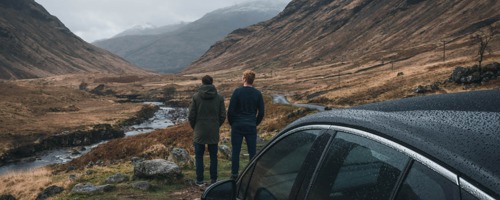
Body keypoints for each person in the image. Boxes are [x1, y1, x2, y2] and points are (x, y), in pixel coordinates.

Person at [188, 75, 226, 186]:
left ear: (202, 83)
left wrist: (195, 127)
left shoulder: (196, 97)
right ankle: (213, 180)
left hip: (199, 131)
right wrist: (216, 125)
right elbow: (223, 115)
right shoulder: (219, 97)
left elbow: (191, 116)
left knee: (199, 156)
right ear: (212, 82)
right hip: (213, 131)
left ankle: (199, 180)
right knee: (213, 156)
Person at [227, 70, 265, 180]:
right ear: (253, 80)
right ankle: (252, 174)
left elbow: (230, 111)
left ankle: (234, 175)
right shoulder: (257, 93)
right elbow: (261, 112)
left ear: (244, 79)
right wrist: (255, 122)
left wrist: (232, 123)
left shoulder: (237, 92)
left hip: (237, 125)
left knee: (236, 151)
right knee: (252, 151)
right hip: (251, 125)